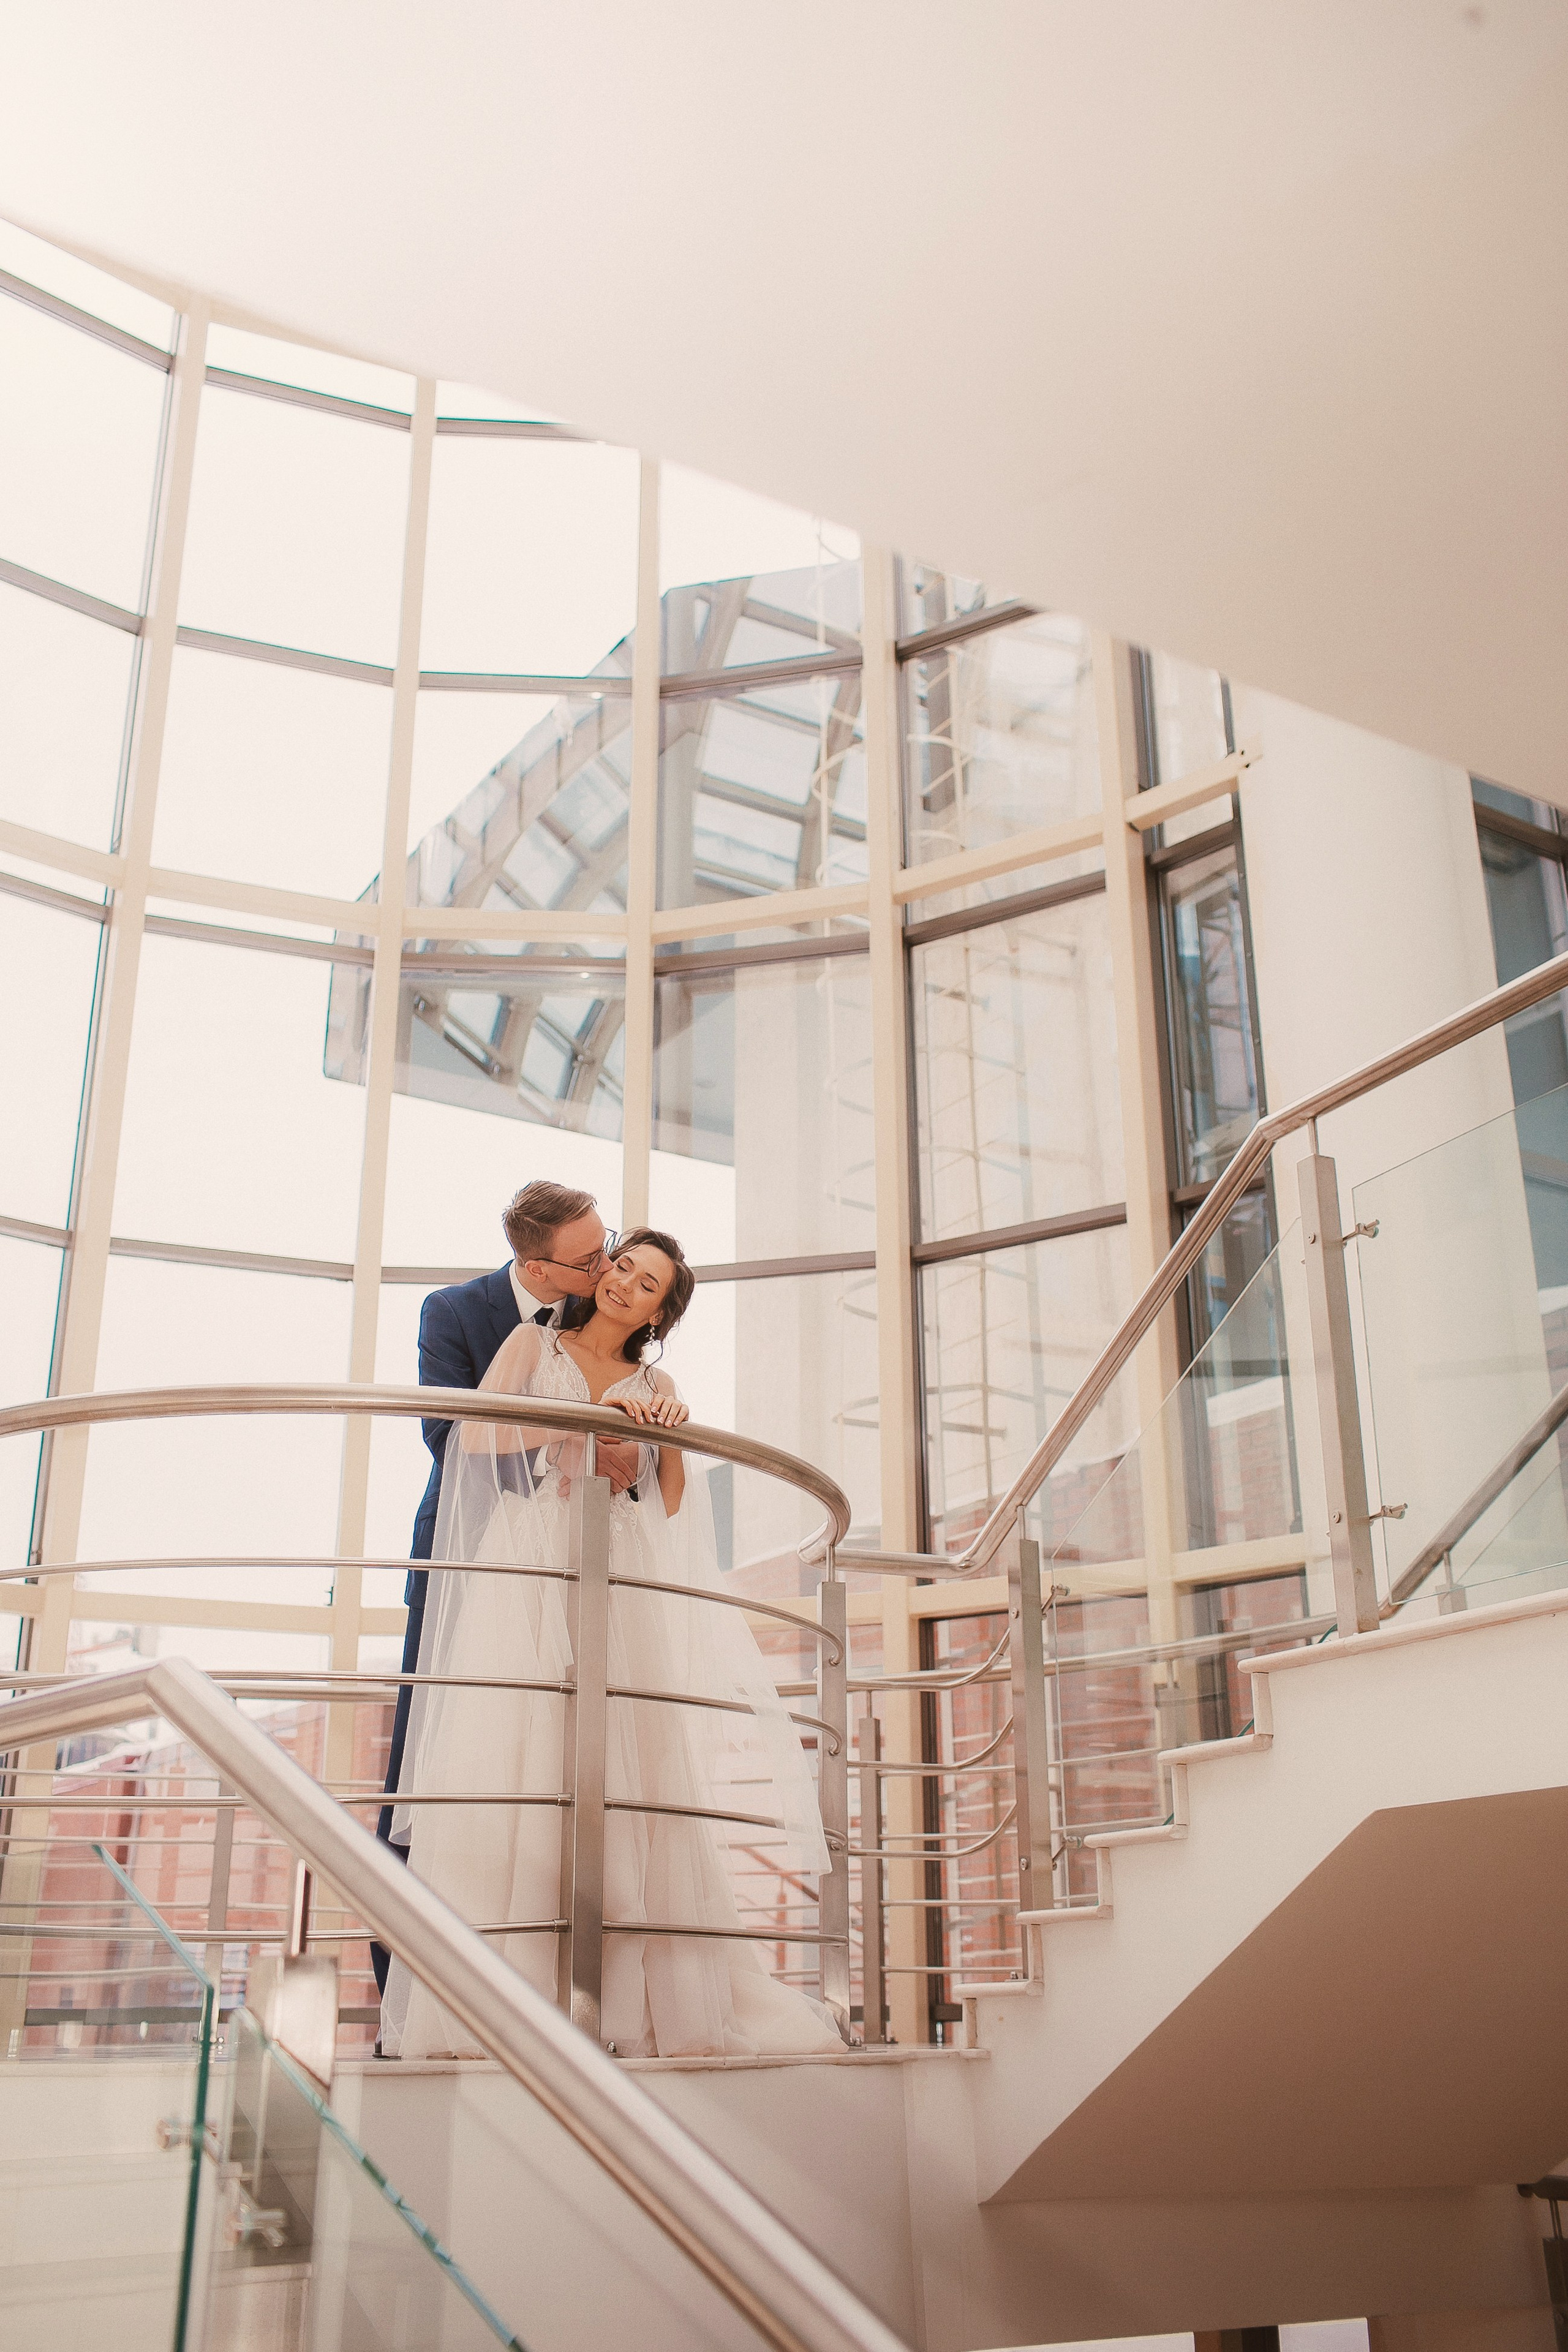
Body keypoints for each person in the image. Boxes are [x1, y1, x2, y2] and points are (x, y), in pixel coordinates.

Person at [379, 1229, 842, 2060]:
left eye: (648, 1283)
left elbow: (663, 1505)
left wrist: (659, 1434)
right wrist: (572, 1429)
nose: (627, 1282)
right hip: (528, 1563)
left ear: (662, 1313)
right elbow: (473, 1440)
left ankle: (624, 2000)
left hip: (615, 1573)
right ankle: (501, 2000)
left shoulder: (658, 1383)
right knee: (518, 1756)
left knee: (624, 1763)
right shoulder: (533, 1343)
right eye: (624, 1265)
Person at [370, 1180, 639, 1995]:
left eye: (608, 1244)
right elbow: (449, 1435)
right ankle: (407, 1988)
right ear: (537, 1265)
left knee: (579, 1753)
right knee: (435, 1755)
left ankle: (565, 1971)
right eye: (590, 1257)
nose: (608, 1265)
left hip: (581, 1555)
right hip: (473, 1557)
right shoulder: (453, 1314)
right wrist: (573, 1437)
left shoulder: (609, 1309)